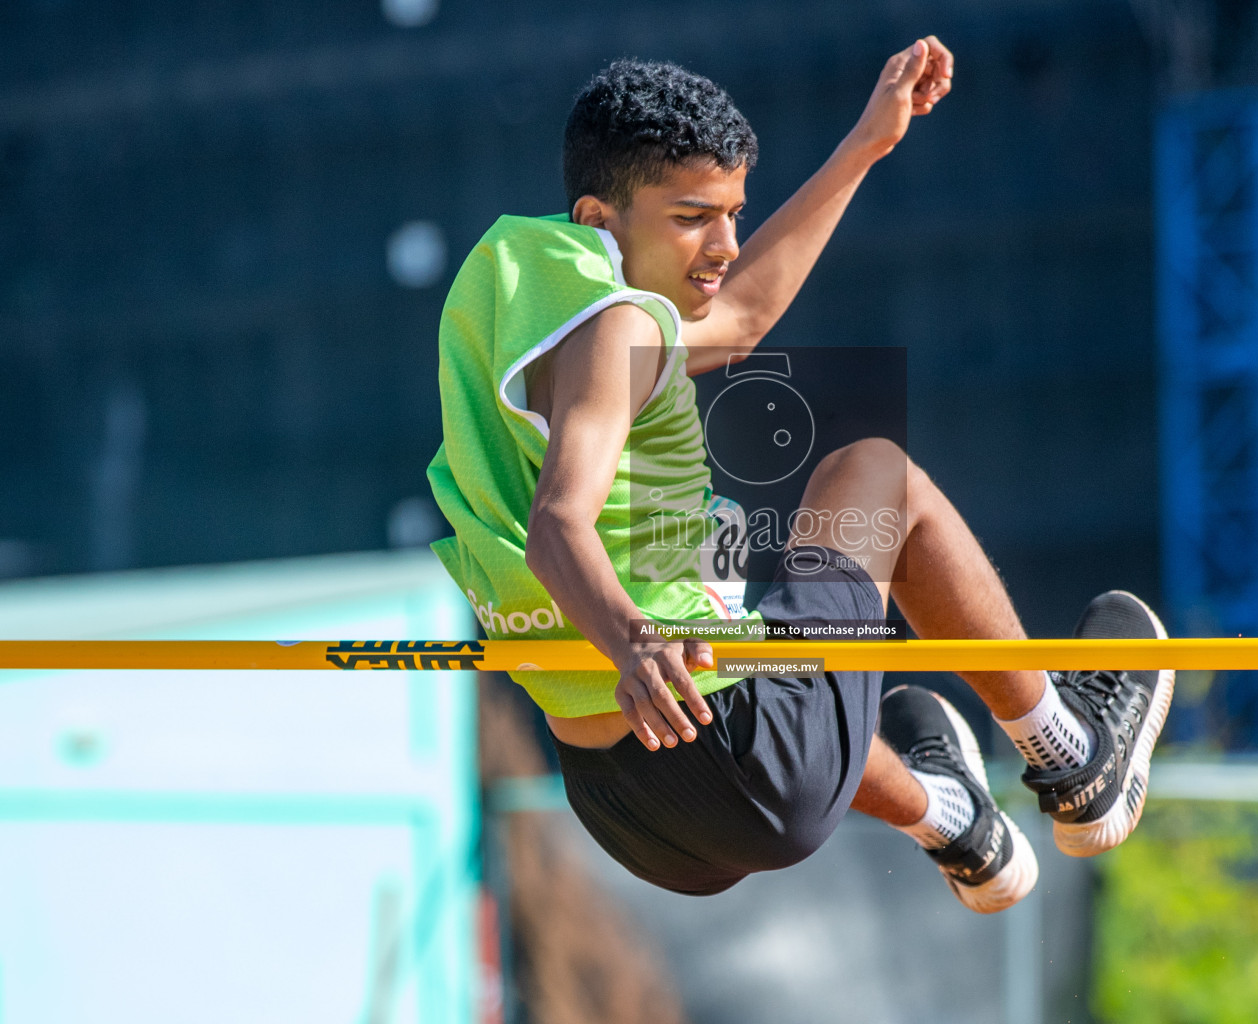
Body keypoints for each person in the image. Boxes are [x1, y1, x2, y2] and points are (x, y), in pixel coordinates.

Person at [427, 37, 1175, 913]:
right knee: (877, 479)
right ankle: (1071, 755)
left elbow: (740, 315)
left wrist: (866, 144)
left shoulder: (516, 293)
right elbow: (560, 522)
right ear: (601, 218)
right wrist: (632, 639)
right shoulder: (618, 326)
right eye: (693, 217)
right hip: (733, 754)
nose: (723, 245)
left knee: (766, 635)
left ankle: (955, 822)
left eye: (733, 214)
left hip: (621, 806)